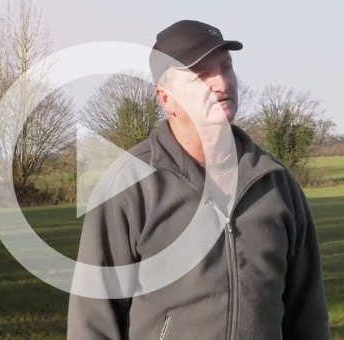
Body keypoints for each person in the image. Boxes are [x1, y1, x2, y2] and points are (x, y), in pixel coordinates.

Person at [67, 20, 330, 340]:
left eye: (226, 67)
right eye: (202, 74)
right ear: (166, 99)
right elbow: (93, 322)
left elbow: (308, 314)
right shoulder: (129, 187)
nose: (221, 82)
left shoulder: (276, 184)